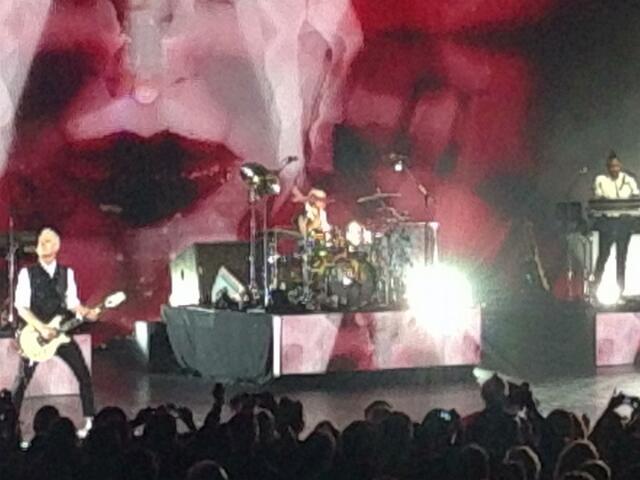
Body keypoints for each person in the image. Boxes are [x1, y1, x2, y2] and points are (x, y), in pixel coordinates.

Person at [11, 227, 100, 435]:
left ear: (58, 246)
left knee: (83, 375)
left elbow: (72, 303)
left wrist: (87, 312)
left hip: (60, 334)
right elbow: (21, 307)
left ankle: (90, 422)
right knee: (22, 380)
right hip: (35, 335)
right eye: (41, 241)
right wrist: (41, 328)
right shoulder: (27, 274)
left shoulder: (66, 273)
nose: (43, 244)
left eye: (48, 240)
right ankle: (10, 424)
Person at [592, 151, 640, 296]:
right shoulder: (601, 180)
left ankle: (621, 292)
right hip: (607, 222)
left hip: (624, 223)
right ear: (607, 167)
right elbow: (599, 198)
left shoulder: (629, 180)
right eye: (611, 166)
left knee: (621, 258)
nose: (614, 169)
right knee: (603, 256)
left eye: (617, 166)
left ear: (620, 166)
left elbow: (636, 197)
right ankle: (594, 290)